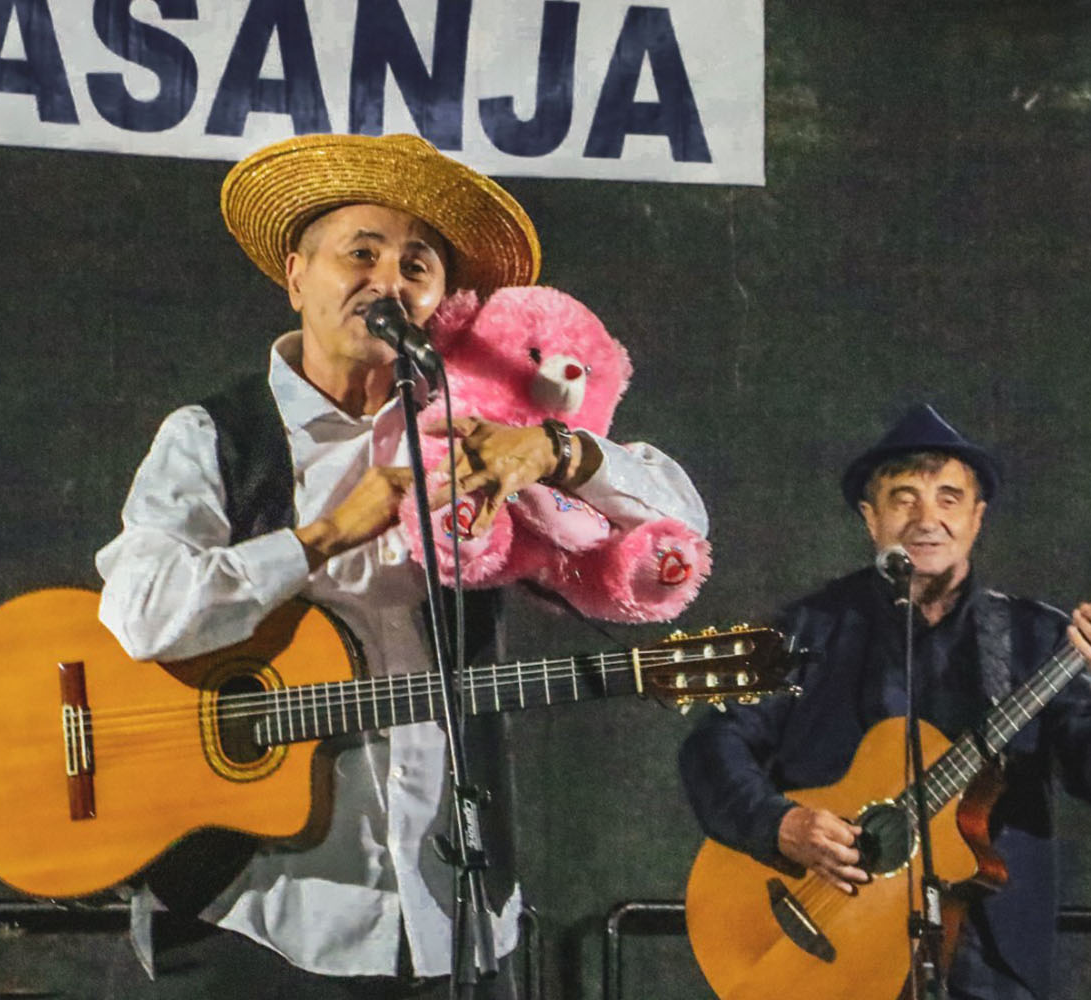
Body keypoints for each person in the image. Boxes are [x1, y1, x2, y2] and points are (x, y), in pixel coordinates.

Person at [94, 132, 708, 996]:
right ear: (296, 275)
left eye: (416, 265)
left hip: (453, 907)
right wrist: (321, 536)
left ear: (442, 303)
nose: (388, 280)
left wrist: (557, 451)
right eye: (362, 253)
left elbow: (683, 523)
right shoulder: (211, 437)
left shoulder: (478, 427)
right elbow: (139, 611)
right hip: (256, 910)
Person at [678, 405, 1091, 1000]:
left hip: (990, 955)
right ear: (871, 517)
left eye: (949, 499)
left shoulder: (1035, 638)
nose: (928, 519)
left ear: (978, 517)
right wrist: (780, 824)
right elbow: (712, 746)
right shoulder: (810, 630)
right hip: (833, 950)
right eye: (904, 499)